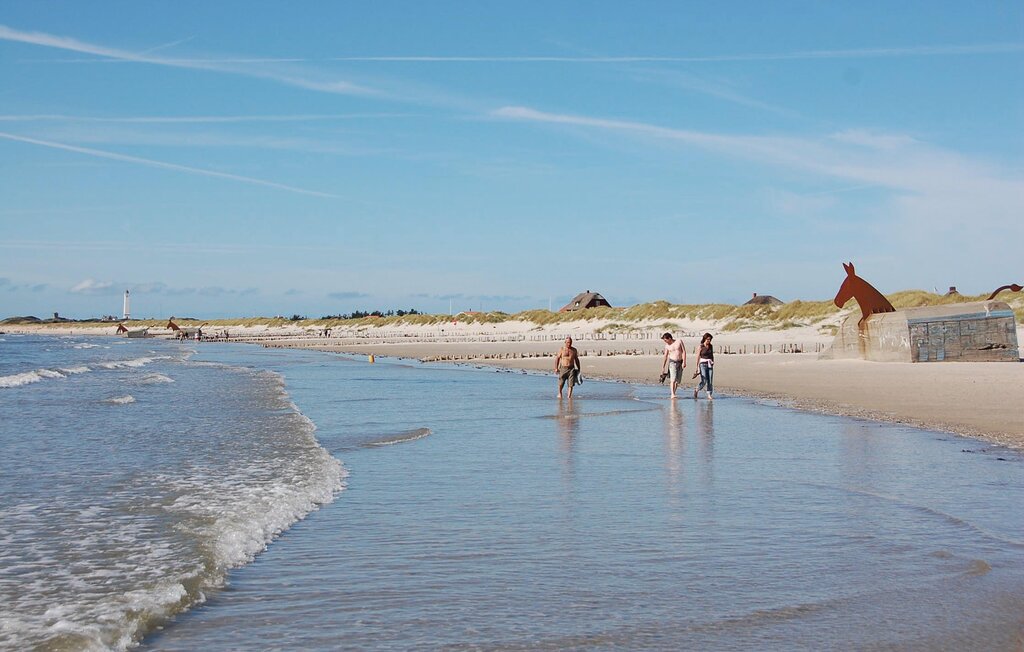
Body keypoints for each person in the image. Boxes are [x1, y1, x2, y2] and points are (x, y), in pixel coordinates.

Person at [660, 332, 687, 398]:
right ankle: (672, 394)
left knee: (678, 380)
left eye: (666, 340)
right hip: (672, 362)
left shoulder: (679, 341)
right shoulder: (667, 346)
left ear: (669, 338)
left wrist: (684, 362)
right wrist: (663, 367)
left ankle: (673, 392)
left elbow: (684, 351)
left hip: (680, 362)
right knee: (673, 379)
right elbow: (665, 356)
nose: (665, 342)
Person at [695, 332, 714, 400]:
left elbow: (711, 355)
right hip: (702, 364)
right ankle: (697, 389)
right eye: (707, 339)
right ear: (704, 339)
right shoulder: (701, 346)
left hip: (709, 364)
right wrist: (697, 367)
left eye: (710, 339)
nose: (709, 340)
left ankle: (709, 394)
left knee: (710, 380)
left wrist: (712, 361)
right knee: (704, 380)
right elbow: (698, 357)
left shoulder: (711, 346)